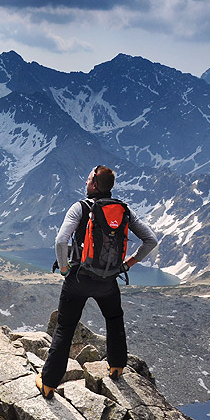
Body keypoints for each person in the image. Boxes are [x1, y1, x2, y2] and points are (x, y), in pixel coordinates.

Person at [35, 165, 158, 399]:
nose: (86, 181)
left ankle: (49, 383)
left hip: (78, 279)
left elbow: (61, 241)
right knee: (114, 319)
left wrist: (64, 269)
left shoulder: (80, 207)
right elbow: (150, 240)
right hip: (108, 281)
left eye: (89, 177)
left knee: (65, 327)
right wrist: (126, 265)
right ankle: (116, 367)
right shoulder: (124, 211)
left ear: (93, 184)